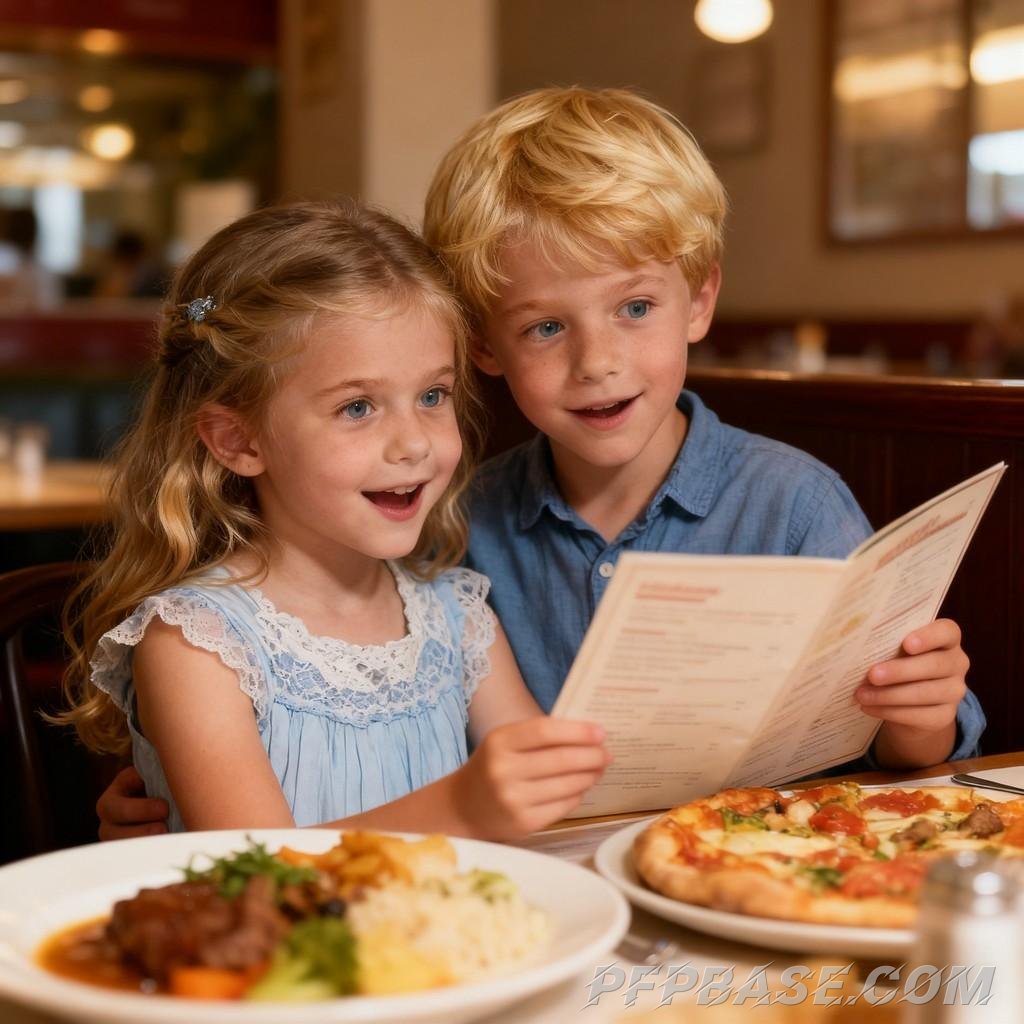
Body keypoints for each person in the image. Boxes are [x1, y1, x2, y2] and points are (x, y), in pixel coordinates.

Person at [98, 88, 982, 837]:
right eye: (546, 327)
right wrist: (155, 837)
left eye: (635, 305)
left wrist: (922, 712)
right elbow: (243, 859)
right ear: (487, 344)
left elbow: (914, 753)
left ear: (700, 299)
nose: (597, 360)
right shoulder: (448, 536)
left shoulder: (786, 503)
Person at [61, 199, 609, 841]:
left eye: (433, 396)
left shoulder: (459, 620)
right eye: (357, 408)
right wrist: (462, 811)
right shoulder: (198, 646)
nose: (413, 444)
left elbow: (557, 824)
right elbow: (260, 876)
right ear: (239, 441)